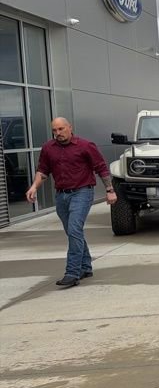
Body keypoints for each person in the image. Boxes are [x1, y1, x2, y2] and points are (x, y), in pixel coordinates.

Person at [25, 118, 117, 287]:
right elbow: (43, 171)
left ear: (70, 128)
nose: (58, 133)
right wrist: (34, 187)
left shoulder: (85, 145)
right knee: (73, 232)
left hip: (82, 192)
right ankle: (86, 266)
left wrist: (110, 190)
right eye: (55, 130)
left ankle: (72, 273)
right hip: (61, 196)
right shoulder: (48, 148)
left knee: (74, 228)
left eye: (61, 129)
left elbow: (101, 168)